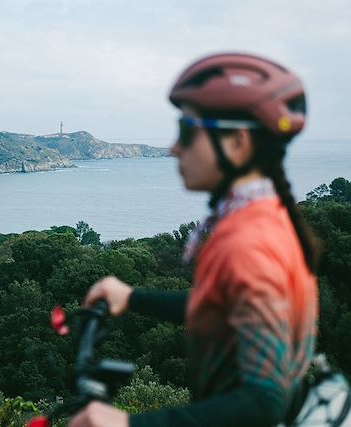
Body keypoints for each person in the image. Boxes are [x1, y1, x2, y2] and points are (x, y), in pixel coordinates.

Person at [68, 52, 320, 427]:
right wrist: (134, 298)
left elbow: (263, 403)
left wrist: (128, 424)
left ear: (237, 142)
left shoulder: (248, 242)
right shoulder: (263, 215)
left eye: (187, 130)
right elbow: (229, 313)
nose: (174, 147)